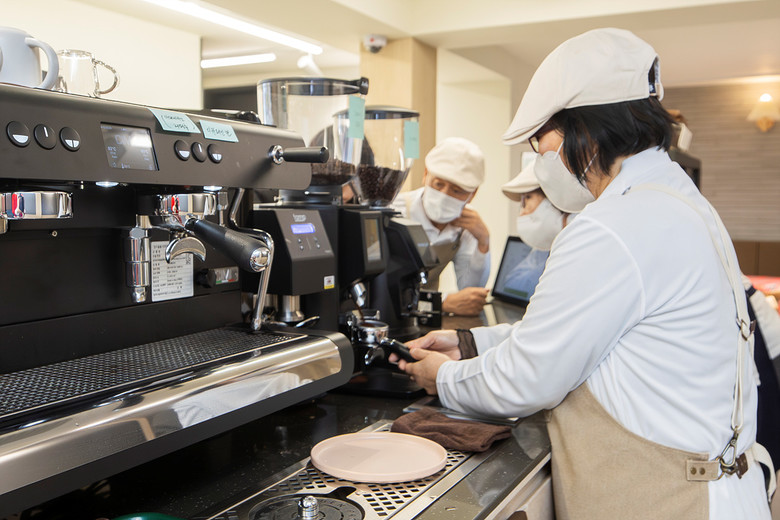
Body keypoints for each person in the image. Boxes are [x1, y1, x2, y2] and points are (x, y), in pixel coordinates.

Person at [395, 28, 775, 519]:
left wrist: (443, 377)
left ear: (586, 131)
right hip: (720, 491)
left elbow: (528, 379)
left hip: (670, 499)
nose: (539, 158)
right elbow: (583, 333)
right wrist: (470, 343)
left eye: (540, 142)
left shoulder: (614, 223)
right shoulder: (677, 200)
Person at [393, 137, 490, 316]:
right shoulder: (396, 210)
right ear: (425, 174)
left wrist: (483, 242)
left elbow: (469, 293)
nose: (444, 195)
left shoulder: (466, 227)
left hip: (429, 321)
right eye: (438, 184)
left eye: (457, 190)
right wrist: (441, 303)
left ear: (472, 194)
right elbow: (379, 292)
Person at [499, 157, 571, 300]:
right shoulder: (543, 250)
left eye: (528, 198)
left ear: (554, 198)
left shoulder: (584, 241)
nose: (522, 213)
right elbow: (512, 284)